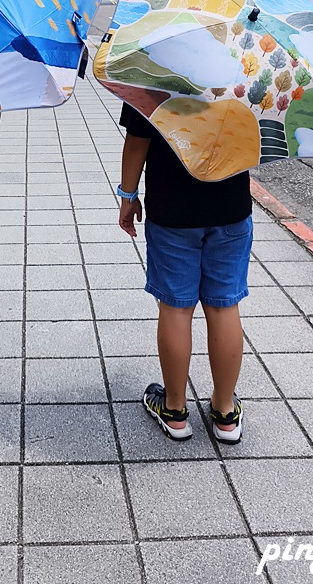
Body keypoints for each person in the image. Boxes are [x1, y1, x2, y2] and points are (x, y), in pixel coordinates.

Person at [117, 102, 253, 443]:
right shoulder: (243, 64)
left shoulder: (152, 61)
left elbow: (137, 140)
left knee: (176, 307)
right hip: (230, 204)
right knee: (224, 306)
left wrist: (128, 195)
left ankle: (175, 410)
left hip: (172, 207)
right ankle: (225, 413)